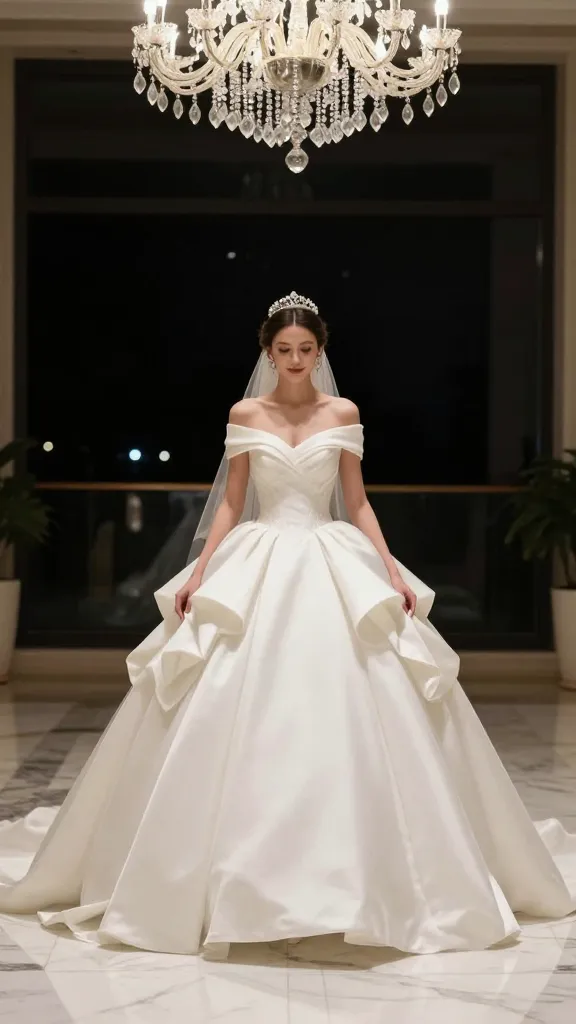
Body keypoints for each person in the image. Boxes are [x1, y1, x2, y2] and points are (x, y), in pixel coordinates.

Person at [0, 292, 575, 961]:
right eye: (284, 352)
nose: (296, 362)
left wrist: (389, 571)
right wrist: (199, 571)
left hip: (333, 556)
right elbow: (233, 502)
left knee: (366, 696)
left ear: (320, 350)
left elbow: (356, 500)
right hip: (262, 553)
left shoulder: (344, 413)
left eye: (306, 351)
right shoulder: (247, 413)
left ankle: (385, 876)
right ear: (267, 352)